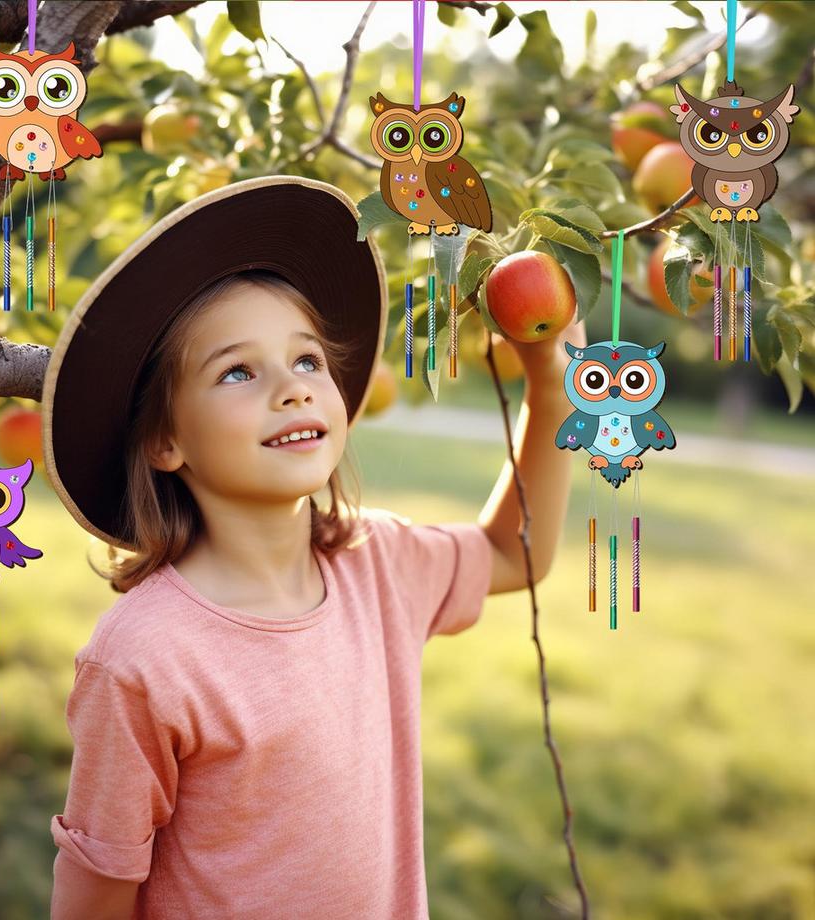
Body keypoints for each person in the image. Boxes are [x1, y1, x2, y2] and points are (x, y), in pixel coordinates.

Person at [43, 175, 585, 919]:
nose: (293, 389)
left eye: (307, 361)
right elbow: (95, 898)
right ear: (166, 440)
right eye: (238, 372)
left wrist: (550, 394)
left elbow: (514, 555)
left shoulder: (378, 564)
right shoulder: (143, 660)